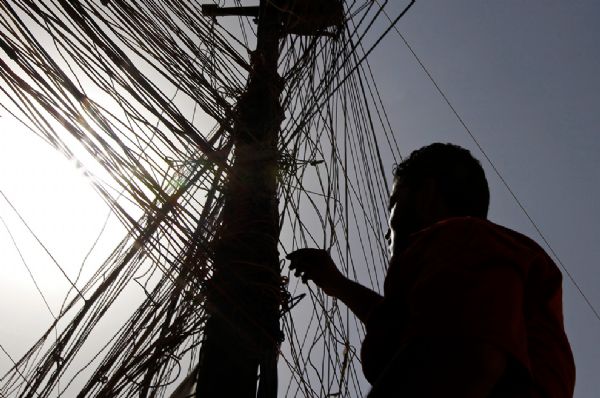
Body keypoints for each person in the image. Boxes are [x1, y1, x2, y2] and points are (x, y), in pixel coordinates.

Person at [287, 143, 575, 397]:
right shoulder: (474, 258)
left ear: (426, 194)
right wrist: (338, 284)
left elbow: (466, 360)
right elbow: (410, 321)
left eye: (394, 202)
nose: (387, 232)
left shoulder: (464, 238)